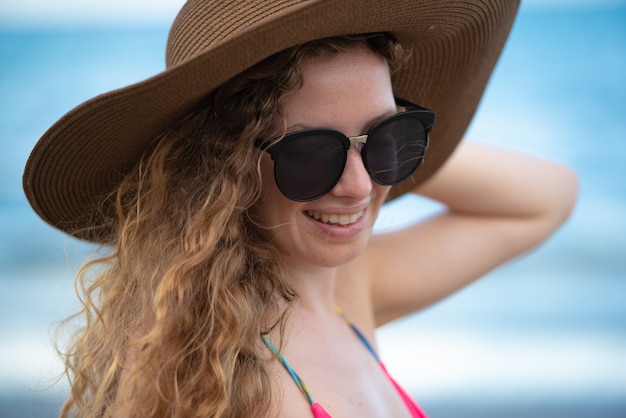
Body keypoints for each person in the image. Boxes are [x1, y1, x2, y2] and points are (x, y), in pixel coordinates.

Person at [23, 1, 577, 417]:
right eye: (310, 155)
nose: (358, 189)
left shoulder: (344, 287)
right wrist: (363, 131)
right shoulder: (213, 374)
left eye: (390, 138)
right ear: (225, 168)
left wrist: (368, 138)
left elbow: (547, 197)